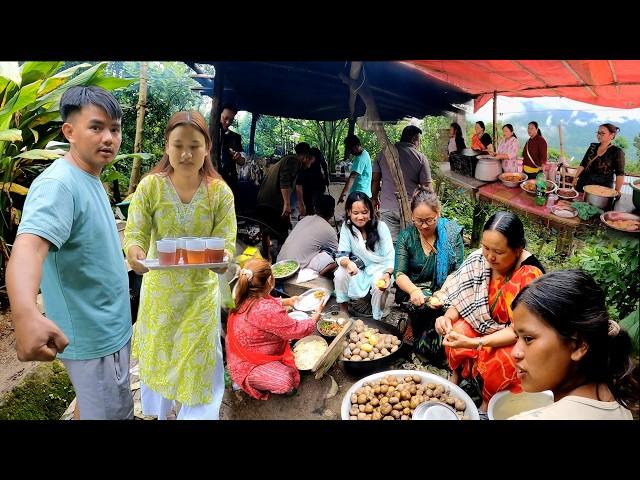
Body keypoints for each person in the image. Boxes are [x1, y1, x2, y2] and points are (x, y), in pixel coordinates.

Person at [6, 86, 134, 420]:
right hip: (92, 337)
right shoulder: (58, 184)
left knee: (96, 408)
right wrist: (24, 313)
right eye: (96, 127)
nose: (108, 137)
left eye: (115, 129)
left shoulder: (88, 177)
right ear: (70, 131)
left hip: (111, 329)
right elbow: (29, 248)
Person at [125, 110, 237, 420]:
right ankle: (155, 416)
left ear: (207, 148)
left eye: (194, 145)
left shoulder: (220, 193)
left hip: (200, 298)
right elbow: (135, 233)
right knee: (158, 366)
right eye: (178, 145)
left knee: (203, 370)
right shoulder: (150, 187)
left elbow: (226, 242)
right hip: (159, 296)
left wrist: (222, 260)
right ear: (166, 147)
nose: (186, 154)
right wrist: (135, 254)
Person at [434, 211, 545, 416]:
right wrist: (447, 318)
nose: (489, 257)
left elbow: (518, 331)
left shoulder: (530, 276)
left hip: (514, 337)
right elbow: (463, 299)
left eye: (498, 252)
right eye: (485, 248)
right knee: (456, 329)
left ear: (518, 249)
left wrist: (476, 343)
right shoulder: (479, 259)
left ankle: (487, 404)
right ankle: (456, 376)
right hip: (482, 326)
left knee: (505, 358)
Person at [508, 270, 638, 420]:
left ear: (578, 346)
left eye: (528, 338)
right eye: (517, 337)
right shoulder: (618, 402)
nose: (515, 352)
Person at [226, 259, 323, 400]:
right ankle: (246, 381)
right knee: (286, 382)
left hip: (241, 349)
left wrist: (286, 302)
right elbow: (297, 330)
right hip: (247, 363)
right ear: (270, 280)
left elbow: (263, 306)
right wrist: (314, 318)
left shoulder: (243, 294)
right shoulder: (266, 309)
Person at [393, 186, 464, 365]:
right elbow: (399, 273)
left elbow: (457, 271)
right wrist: (414, 290)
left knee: (448, 307)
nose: (424, 225)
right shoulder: (406, 237)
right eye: (419, 221)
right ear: (412, 217)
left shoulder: (451, 234)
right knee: (423, 302)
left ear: (438, 214)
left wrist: (442, 292)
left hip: (447, 287)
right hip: (416, 289)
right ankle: (415, 335)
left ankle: (440, 349)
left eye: (429, 220)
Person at [334, 192, 395, 320]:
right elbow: (342, 254)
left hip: (380, 268)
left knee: (379, 287)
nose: (360, 217)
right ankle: (343, 310)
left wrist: (387, 274)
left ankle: (376, 317)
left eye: (364, 212)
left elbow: (390, 256)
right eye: (355, 213)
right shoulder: (347, 227)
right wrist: (348, 264)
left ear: (370, 212)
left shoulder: (381, 227)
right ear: (349, 212)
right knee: (340, 273)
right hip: (359, 269)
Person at [372, 125, 432, 243]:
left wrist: (374, 198)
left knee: (391, 244)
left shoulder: (383, 154)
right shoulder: (420, 158)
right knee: (409, 244)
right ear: (414, 139)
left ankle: (394, 261)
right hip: (410, 209)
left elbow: (375, 180)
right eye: (418, 140)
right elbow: (427, 188)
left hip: (387, 207)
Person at [256, 142, 315, 261]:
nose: (309, 166)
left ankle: (268, 258)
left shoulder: (285, 160)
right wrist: (287, 205)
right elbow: (285, 181)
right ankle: (282, 261)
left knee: (266, 231)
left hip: (262, 200)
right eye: (310, 162)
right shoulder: (294, 161)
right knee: (282, 233)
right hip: (273, 203)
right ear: (305, 157)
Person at [276, 195, 338, 277]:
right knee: (334, 258)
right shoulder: (329, 230)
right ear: (333, 211)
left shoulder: (305, 219)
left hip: (279, 262)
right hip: (296, 272)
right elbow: (338, 253)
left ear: (315, 209)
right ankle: (319, 278)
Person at [574, 123, 626, 194]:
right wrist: (575, 178)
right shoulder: (593, 147)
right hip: (583, 185)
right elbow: (583, 164)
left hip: (602, 190)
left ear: (612, 135)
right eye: (598, 133)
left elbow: (620, 174)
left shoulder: (617, 152)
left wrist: (617, 192)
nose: (599, 135)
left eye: (602, 133)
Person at [218, 104, 245, 197]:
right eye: (225, 118)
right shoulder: (209, 134)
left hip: (230, 181)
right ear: (219, 115)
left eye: (231, 120)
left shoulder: (235, 137)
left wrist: (238, 157)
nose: (228, 122)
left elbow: (242, 162)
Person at [296, 147, 330, 216]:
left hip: (318, 181)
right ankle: (309, 215)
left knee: (318, 201)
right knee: (308, 203)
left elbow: (324, 164)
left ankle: (319, 215)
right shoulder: (301, 162)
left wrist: (327, 177)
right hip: (306, 182)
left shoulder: (317, 153)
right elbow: (298, 183)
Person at [338, 134, 372, 203]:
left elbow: (352, 177)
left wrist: (343, 194)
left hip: (359, 194)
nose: (350, 151)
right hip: (362, 192)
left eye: (350, 148)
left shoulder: (360, 158)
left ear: (356, 145)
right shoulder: (365, 154)